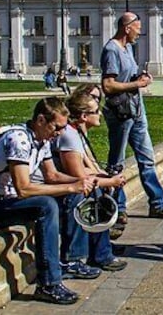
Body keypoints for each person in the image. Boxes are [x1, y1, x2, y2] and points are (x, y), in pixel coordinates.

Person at [0, 98, 96, 305]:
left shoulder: (42, 140)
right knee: (46, 206)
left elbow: (52, 176)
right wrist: (72, 186)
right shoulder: (18, 140)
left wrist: (83, 180)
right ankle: (48, 284)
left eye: (64, 128)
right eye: (57, 127)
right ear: (40, 120)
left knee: (72, 195)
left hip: (9, 199)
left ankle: (72, 260)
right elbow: (24, 188)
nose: (60, 133)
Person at [101, 12, 163, 232]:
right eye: (137, 28)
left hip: (137, 111)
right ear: (127, 28)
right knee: (117, 161)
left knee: (147, 158)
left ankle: (157, 203)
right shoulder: (111, 50)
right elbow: (108, 85)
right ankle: (119, 206)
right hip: (121, 113)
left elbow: (130, 75)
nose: (139, 32)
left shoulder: (128, 49)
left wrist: (140, 76)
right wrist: (137, 85)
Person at [55, 92, 128, 272]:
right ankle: (85, 257)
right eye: (96, 111)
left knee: (98, 190)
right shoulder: (70, 136)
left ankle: (101, 251)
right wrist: (110, 180)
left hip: (65, 185)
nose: (101, 114)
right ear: (84, 116)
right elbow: (80, 178)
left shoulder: (77, 132)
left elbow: (86, 169)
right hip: (62, 189)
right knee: (92, 195)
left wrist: (105, 177)